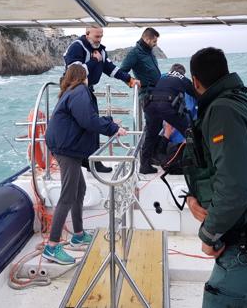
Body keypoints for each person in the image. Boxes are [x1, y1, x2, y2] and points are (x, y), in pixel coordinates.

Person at [183, 47, 247, 307]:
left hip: (246, 252)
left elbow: (235, 187)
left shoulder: (222, 112)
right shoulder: (239, 102)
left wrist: (209, 234)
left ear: (196, 81)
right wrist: (194, 199)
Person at [43, 63, 127, 264]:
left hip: (66, 147)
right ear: (85, 76)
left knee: (79, 190)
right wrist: (113, 127)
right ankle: (51, 247)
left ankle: (78, 234)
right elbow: (88, 120)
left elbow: (86, 119)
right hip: (67, 150)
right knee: (68, 195)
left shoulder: (70, 91)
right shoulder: (80, 91)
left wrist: (108, 123)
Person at [63, 26, 139, 173]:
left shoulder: (101, 51)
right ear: (87, 34)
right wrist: (93, 61)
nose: (99, 40)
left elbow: (111, 69)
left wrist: (129, 79)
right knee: (84, 125)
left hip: (87, 90)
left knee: (91, 126)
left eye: (101, 36)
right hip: (74, 90)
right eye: (96, 37)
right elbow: (74, 73)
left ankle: (92, 161)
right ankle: (83, 160)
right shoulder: (77, 47)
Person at [140, 63, 196, 174]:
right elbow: (195, 93)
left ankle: (144, 166)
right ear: (182, 73)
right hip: (167, 106)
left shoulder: (162, 76)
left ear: (171, 70)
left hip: (150, 105)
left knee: (150, 136)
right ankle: (196, 163)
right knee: (189, 131)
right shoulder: (183, 78)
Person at [119, 27, 161, 98]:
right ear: (147, 40)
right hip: (146, 94)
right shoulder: (134, 53)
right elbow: (122, 71)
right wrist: (131, 81)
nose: (156, 44)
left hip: (156, 92)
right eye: (154, 41)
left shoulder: (149, 52)